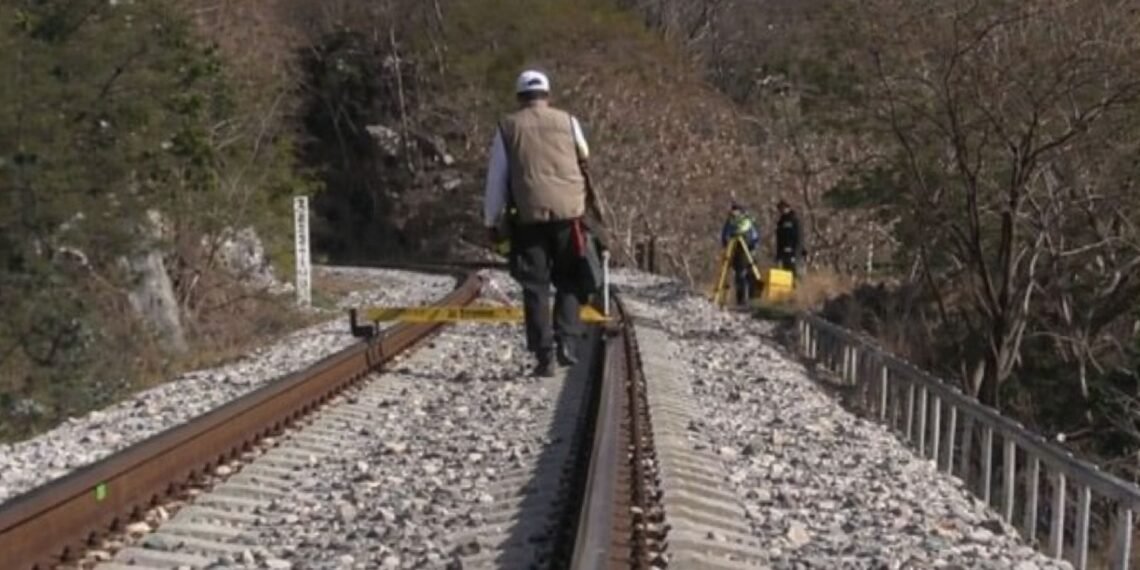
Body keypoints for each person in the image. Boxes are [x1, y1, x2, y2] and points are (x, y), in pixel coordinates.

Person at [483, 69, 593, 377]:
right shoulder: (568, 121)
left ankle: (544, 355)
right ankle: (568, 341)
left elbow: (497, 180)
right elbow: (585, 154)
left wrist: (492, 220)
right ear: (547, 95)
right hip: (569, 215)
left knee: (535, 286)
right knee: (570, 278)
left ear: (520, 98)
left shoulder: (507, 127)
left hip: (529, 218)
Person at [720, 202, 761, 306]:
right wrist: (726, 244)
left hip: (745, 250)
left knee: (745, 274)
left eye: (735, 210)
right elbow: (725, 236)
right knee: (739, 275)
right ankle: (740, 299)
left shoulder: (746, 221)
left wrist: (752, 248)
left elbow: (754, 237)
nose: (733, 212)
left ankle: (751, 298)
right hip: (734, 250)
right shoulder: (729, 222)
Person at [774, 199, 806, 278]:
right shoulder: (781, 222)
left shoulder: (794, 220)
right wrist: (778, 255)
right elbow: (779, 240)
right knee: (786, 275)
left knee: (795, 274)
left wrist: (796, 253)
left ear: (788, 207)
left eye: (783, 208)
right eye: (780, 208)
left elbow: (799, 238)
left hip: (794, 252)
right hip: (784, 253)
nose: (781, 210)